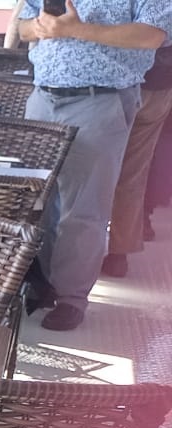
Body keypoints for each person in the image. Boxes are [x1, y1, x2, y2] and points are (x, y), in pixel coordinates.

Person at [17, 0, 172, 330]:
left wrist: (77, 30)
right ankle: (41, 284)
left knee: (84, 208)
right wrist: (40, 26)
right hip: (43, 97)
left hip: (101, 98)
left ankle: (71, 298)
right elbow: (23, 26)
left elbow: (152, 35)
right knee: (37, 203)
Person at [104, 45, 172, 277]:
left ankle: (75, 257)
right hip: (162, 86)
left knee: (89, 170)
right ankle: (118, 254)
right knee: (133, 172)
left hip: (119, 83)